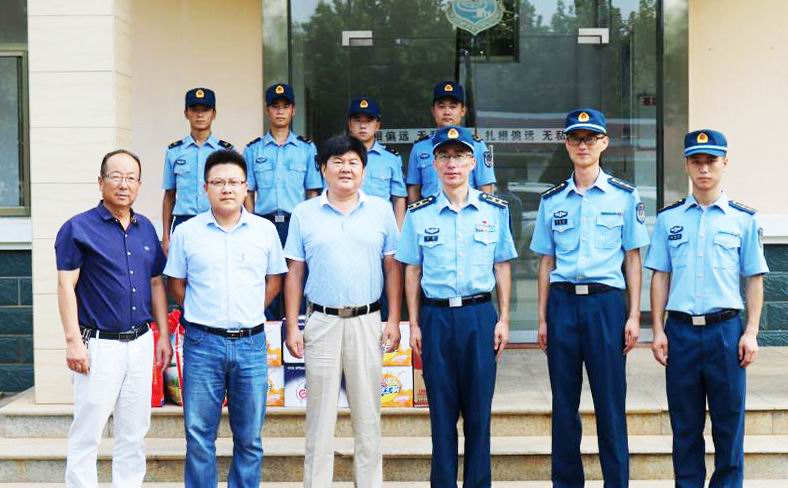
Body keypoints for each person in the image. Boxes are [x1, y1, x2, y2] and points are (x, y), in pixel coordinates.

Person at [529, 108, 650, 488]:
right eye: (575, 139)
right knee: (564, 404)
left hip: (605, 305)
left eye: (590, 138)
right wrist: (543, 318)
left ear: (604, 143)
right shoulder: (553, 200)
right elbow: (546, 262)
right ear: (566, 144)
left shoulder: (624, 197)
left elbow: (633, 259)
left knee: (610, 403)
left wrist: (634, 315)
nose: (583, 145)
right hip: (563, 303)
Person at [645, 129, 768, 488]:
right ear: (686, 165)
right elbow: (660, 276)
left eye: (711, 161)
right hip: (681, 332)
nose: (703, 169)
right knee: (684, 425)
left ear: (724, 163)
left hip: (725, 332)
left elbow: (754, 278)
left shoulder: (743, 219)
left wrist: (751, 332)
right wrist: (658, 330)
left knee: (729, 424)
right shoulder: (669, 219)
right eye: (696, 161)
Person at [396, 126, 517, 487]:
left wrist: (504, 318)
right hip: (435, 317)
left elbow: (502, 266)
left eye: (460, 157)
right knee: (442, 414)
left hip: (479, 317)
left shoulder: (494, 211)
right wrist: (414, 323)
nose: (452, 164)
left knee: (479, 414)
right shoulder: (419, 214)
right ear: (434, 164)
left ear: (472, 162)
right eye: (444, 157)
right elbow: (412, 270)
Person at [283, 135, 401, 488]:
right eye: (337, 161)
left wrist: (394, 319)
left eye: (353, 162)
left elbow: (392, 267)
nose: (345, 168)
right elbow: (294, 271)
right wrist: (293, 326)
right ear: (323, 169)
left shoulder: (380, 210)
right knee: (319, 420)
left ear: (363, 170)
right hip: (321, 322)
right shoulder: (304, 213)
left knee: (368, 417)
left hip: (368, 321)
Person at [164, 149, 288, 488]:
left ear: (246, 187)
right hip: (202, 343)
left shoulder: (264, 231)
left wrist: (250, 310)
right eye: (218, 182)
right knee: (199, 435)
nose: (227, 188)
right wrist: (202, 311)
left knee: (249, 437)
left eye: (234, 182)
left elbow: (275, 281)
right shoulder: (187, 232)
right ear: (205, 187)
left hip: (250, 344)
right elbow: (176, 284)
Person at [55, 149, 171, 487]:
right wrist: (73, 341)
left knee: (134, 432)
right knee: (88, 431)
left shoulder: (145, 228)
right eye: (116, 177)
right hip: (98, 346)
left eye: (131, 178)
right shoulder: (77, 228)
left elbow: (156, 283)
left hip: (141, 342)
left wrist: (163, 335)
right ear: (101, 181)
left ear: (139, 185)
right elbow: (65, 285)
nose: (124, 184)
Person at [244, 82, 323, 318]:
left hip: (295, 224)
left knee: (296, 278)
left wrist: (311, 225)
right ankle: (266, 331)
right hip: (264, 223)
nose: (280, 111)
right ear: (267, 110)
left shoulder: (306, 149)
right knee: (265, 277)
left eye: (285, 106)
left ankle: (295, 331)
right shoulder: (253, 150)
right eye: (275, 106)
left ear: (293, 110)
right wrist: (251, 222)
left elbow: (312, 192)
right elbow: (248, 193)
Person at [161, 87, 233, 254]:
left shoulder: (226, 152)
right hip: (183, 221)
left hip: (217, 220)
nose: (200, 115)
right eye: (194, 110)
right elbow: (169, 196)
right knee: (180, 269)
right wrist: (165, 236)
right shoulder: (174, 151)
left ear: (214, 114)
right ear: (186, 113)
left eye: (205, 110)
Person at [406, 81, 495, 202]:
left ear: (463, 111)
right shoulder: (420, 147)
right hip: (430, 212)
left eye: (453, 107)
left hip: (467, 211)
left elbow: (485, 187)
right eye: (441, 107)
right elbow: (414, 189)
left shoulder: (477, 146)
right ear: (433, 111)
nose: (447, 112)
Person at [346, 96, 407, 228]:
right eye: (357, 120)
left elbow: (398, 199)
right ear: (350, 124)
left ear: (377, 125)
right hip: (346, 226)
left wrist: (398, 233)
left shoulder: (391, 159)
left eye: (368, 121)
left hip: (381, 227)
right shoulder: (338, 157)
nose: (363, 126)